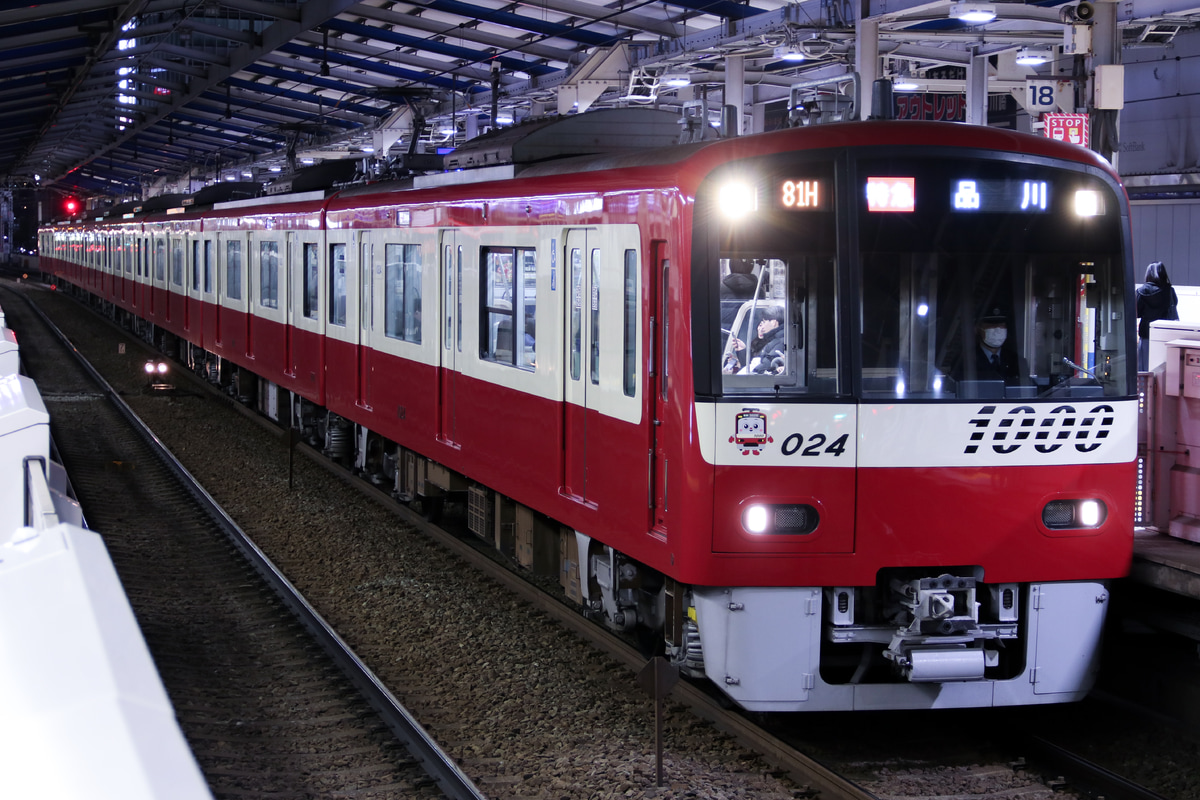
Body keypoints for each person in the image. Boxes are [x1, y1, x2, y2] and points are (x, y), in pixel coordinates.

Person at [1136, 261, 1178, 371]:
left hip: (1146, 335)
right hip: (1164, 336)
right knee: (1163, 369)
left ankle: (1144, 388)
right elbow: (1173, 313)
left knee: (1144, 368)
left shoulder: (1141, 291)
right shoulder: (1169, 291)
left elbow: (1137, 313)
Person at [724, 305, 787, 374]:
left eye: (764, 322)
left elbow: (763, 367)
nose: (761, 328)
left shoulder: (779, 342)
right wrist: (743, 351)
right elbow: (755, 364)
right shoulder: (775, 340)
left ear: (774, 322)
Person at [971, 307, 1026, 386]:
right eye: (991, 324)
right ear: (977, 329)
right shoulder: (966, 361)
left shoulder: (1017, 361)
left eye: (1001, 324)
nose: (997, 328)